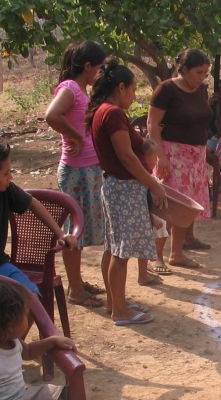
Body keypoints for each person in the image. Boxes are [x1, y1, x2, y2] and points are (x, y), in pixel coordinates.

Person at [87, 60, 167, 325]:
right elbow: (127, 158)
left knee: (113, 248)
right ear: (120, 87)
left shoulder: (103, 111)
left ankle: (115, 302)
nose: (134, 97)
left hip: (115, 186)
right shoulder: (112, 113)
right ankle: (119, 311)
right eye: (132, 91)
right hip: (124, 188)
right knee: (121, 253)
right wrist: (153, 184)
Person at [0, 140, 77, 295]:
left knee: (30, 297)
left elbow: (33, 203)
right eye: (6, 173)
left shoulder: (5, 189)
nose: (11, 177)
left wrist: (60, 234)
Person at [45, 40, 108, 308]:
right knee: (74, 230)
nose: (102, 72)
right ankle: (76, 291)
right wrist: (74, 136)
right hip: (76, 170)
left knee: (80, 228)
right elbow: (51, 115)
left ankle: (76, 283)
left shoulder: (82, 89)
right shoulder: (71, 88)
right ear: (87, 66)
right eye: (100, 67)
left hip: (87, 169)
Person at [148, 48, 213, 269]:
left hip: (195, 158)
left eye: (205, 73)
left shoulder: (201, 90)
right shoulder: (166, 90)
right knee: (166, 206)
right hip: (172, 155)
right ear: (183, 70)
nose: (202, 77)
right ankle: (156, 255)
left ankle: (176, 253)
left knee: (186, 208)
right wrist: (160, 156)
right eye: (198, 72)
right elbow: (152, 124)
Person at [0, 279, 74, 399]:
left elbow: (29, 351)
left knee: (60, 392)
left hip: (18, 396)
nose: (28, 319)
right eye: (25, 315)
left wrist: (52, 341)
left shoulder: (14, 341)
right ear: (10, 326)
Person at [137, 139, 172, 283]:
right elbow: (144, 202)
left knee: (146, 245)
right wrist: (153, 218)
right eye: (154, 157)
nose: (156, 161)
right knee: (144, 245)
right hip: (148, 218)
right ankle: (143, 274)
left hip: (153, 217)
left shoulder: (150, 177)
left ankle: (144, 272)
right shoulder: (144, 178)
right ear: (146, 158)